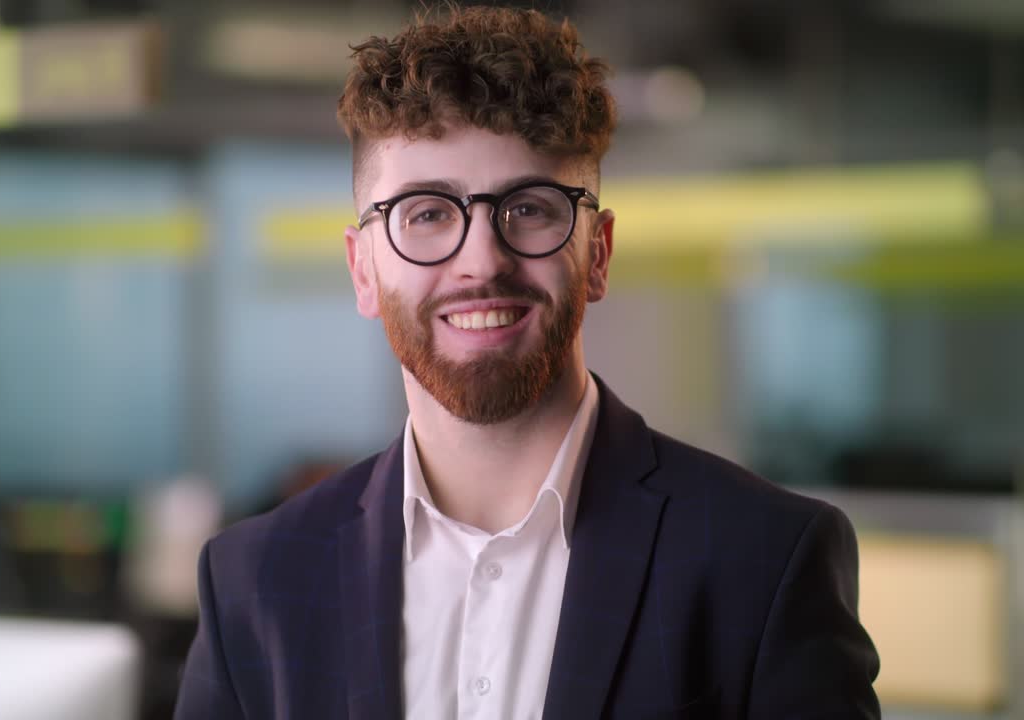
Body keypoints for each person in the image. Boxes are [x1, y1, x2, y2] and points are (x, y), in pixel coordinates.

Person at [176, 6, 879, 719]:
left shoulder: (763, 560)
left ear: (597, 254)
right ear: (363, 271)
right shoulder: (255, 582)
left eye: (530, 209)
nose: (482, 261)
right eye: (427, 213)